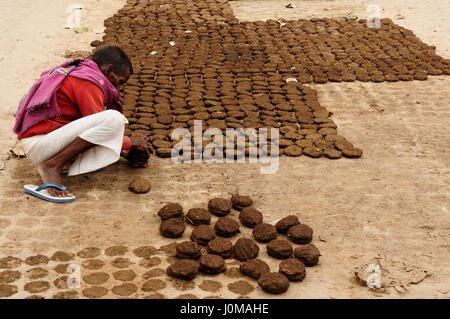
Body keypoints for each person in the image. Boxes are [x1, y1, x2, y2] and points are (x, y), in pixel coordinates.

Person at [13, 45, 151, 203]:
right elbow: (102, 125)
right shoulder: (87, 83)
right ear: (107, 70)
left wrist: (124, 151)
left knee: (109, 129)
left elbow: (93, 132)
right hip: (41, 145)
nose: (117, 88)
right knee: (114, 119)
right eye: (119, 81)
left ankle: (61, 162)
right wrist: (128, 143)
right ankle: (52, 166)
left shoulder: (84, 74)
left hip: (49, 140)